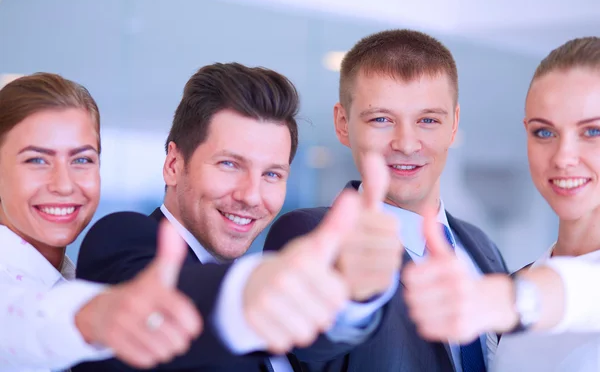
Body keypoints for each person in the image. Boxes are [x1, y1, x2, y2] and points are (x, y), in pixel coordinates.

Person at [74, 62, 402, 371]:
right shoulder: (120, 242)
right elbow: (182, 307)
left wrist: (358, 291)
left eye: (272, 175)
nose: (250, 195)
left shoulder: (267, 286)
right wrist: (259, 287)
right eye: (230, 165)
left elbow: (312, 337)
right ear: (174, 165)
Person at [264, 29, 508, 372]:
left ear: (453, 127)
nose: (407, 143)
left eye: (428, 120)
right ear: (343, 123)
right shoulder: (309, 235)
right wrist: (350, 298)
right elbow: (310, 339)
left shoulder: (482, 248)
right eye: (381, 119)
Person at [403, 36, 600, 372]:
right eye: (544, 132)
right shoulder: (512, 286)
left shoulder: (512, 297)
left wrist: (515, 300)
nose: (564, 157)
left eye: (593, 132)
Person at [0, 73, 203, 371]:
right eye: (37, 160)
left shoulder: (68, 276)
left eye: (82, 160)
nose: (64, 185)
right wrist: (94, 315)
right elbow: (21, 321)